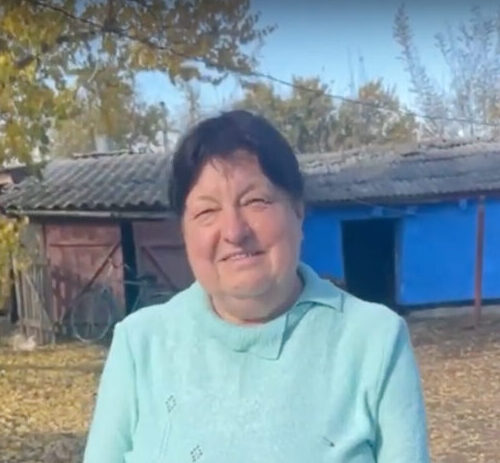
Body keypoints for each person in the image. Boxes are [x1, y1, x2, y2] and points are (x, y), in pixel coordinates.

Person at [83, 110, 430, 462]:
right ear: (185, 233)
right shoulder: (141, 344)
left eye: (255, 201)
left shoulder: (374, 341)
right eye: (207, 211)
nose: (234, 231)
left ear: (298, 209)